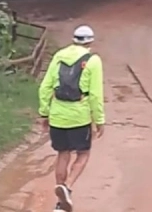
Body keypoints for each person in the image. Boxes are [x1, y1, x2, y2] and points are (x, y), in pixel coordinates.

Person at [38, 24, 105, 212]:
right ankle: (66, 188)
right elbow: (95, 95)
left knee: (63, 153)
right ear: (91, 41)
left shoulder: (59, 56)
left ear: (73, 39)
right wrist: (99, 120)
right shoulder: (93, 60)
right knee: (83, 154)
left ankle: (60, 204)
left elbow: (45, 87)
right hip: (79, 116)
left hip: (58, 115)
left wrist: (44, 112)